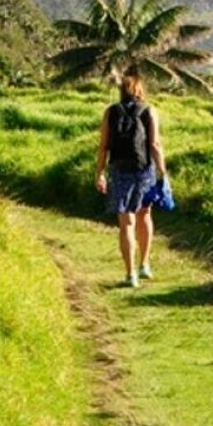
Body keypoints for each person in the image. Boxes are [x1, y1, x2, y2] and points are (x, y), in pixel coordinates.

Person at [93, 73, 167, 288]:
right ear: (139, 90)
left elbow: (103, 145)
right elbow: (154, 144)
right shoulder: (148, 110)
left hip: (119, 168)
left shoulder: (111, 112)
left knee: (126, 221)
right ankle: (144, 264)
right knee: (145, 214)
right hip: (144, 169)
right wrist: (163, 172)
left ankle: (130, 274)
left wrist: (99, 172)